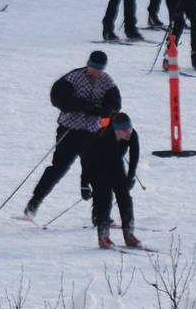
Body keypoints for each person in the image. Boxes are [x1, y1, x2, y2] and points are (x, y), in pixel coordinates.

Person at [22, 50, 121, 218]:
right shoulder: (73, 78)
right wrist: (83, 106)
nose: (96, 74)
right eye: (93, 69)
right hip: (70, 130)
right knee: (58, 168)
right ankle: (34, 202)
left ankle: (100, 215)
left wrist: (102, 111)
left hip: (93, 133)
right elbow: (57, 99)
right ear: (88, 65)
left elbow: (115, 105)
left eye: (99, 71)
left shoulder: (108, 82)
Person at [82, 112, 143, 249]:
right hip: (97, 169)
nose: (128, 133)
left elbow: (134, 156)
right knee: (104, 200)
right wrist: (84, 183)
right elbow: (87, 159)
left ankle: (129, 234)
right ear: (116, 129)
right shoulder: (101, 137)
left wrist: (131, 176)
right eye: (124, 130)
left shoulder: (132, 135)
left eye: (130, 129)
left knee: (125, 198)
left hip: (116, 167)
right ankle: (103, 236)